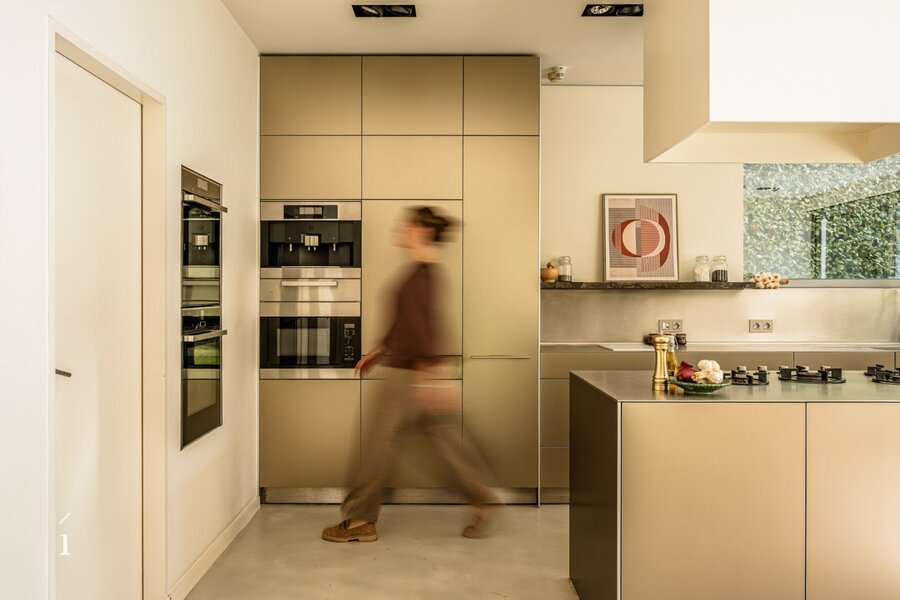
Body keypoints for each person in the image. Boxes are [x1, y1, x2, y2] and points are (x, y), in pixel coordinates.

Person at [322, 206, 500, 543]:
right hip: (410, 369)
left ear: (422, 231)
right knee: (441, 442)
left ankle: (360, 520)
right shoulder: (421, 271)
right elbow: (407, 322)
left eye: (408, 225)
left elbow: (424, 329)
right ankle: (483, 500)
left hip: (407, 375)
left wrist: (429, 377)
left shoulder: (423, 275)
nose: (401, 229)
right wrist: (380, 350)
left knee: (377, 447)